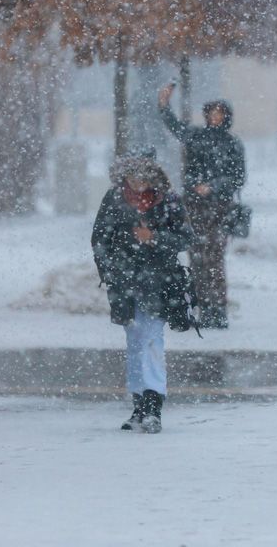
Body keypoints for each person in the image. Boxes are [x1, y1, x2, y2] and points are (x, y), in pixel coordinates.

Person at [92, 153, 194, 434]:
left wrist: (155, 238)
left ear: (152, 178)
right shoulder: (114, 199)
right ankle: (139, 404)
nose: (137, 185)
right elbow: (100, 239)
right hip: (124, 283)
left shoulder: (168, 200)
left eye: (142, 179)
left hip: (159, 281)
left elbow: (186, 237)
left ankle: (152, 404)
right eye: (132, 179)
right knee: (135, 340)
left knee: (150, 338)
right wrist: (111, 271)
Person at [158, 83, 245, 329]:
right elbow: (175, 127)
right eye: (211, 113)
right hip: (194, 207)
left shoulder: (232, 144)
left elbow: (238, 177)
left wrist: (213, 186)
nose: (215, 117)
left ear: (226, 116)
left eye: (219, 113)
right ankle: (203, 306)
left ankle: (218, 308)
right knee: (196, 257)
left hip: (219, 208)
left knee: (214, 258)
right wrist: (164, 106)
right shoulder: (196, 136)